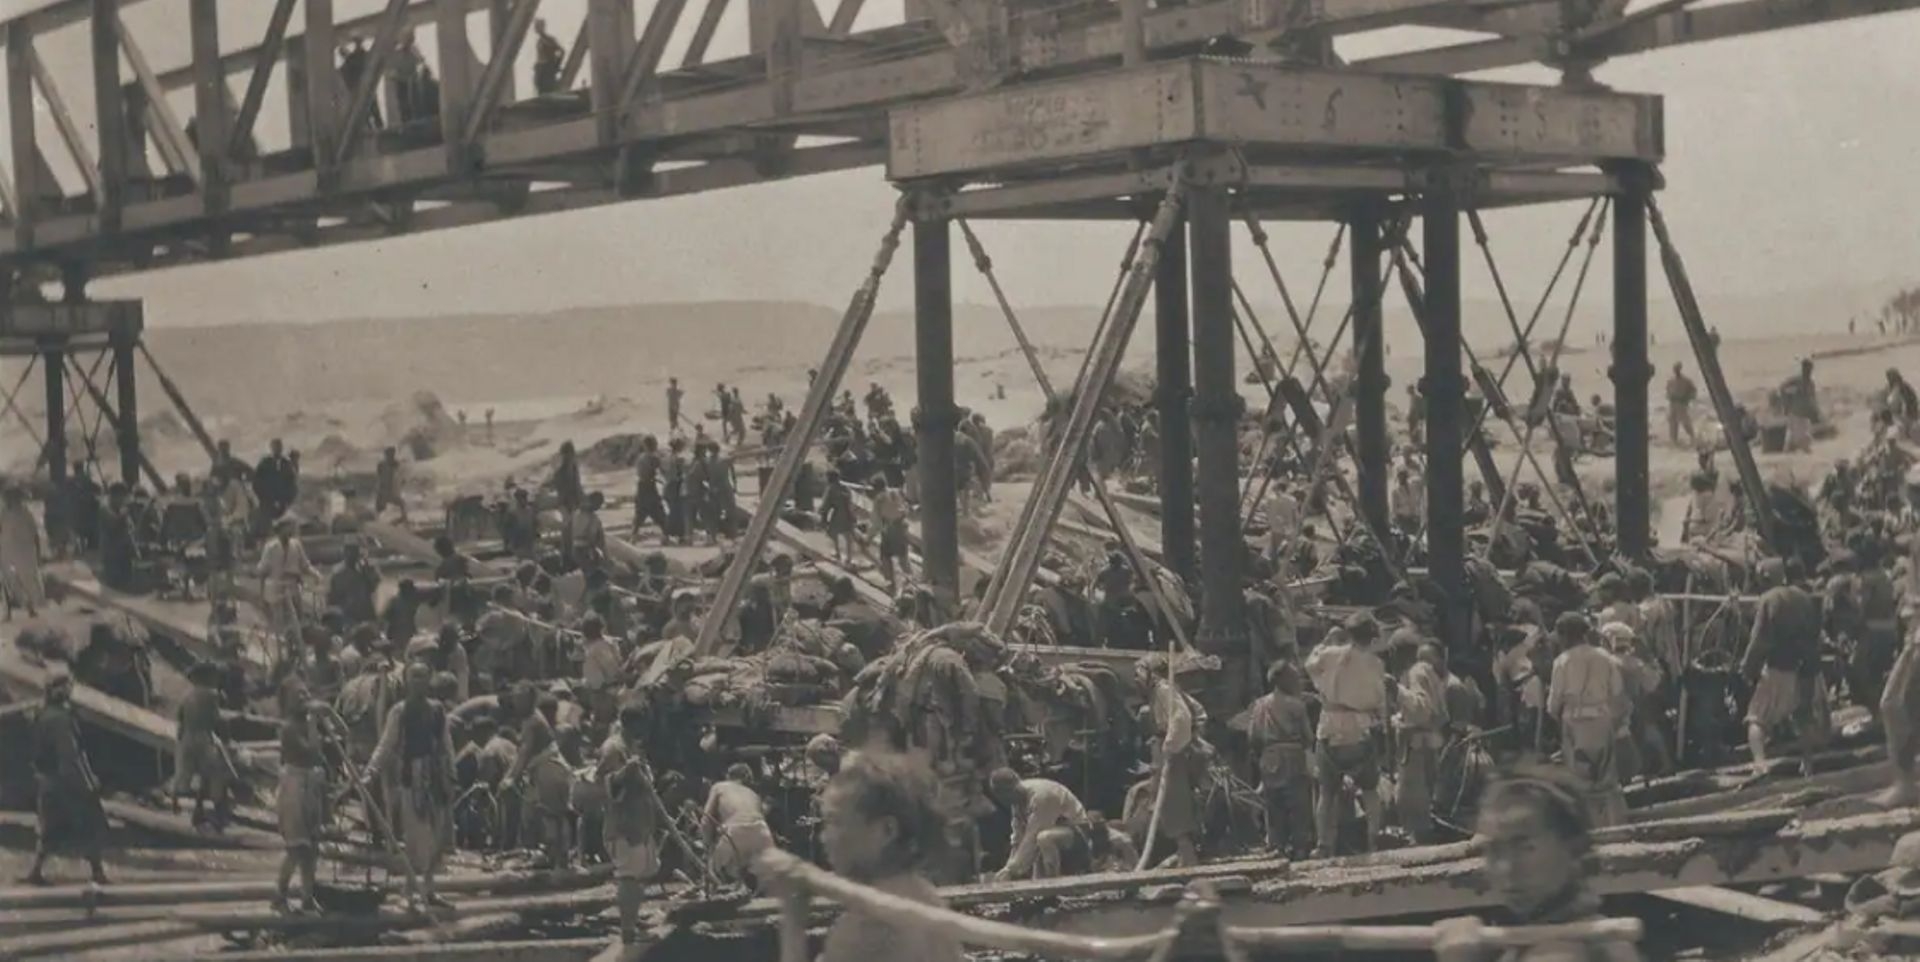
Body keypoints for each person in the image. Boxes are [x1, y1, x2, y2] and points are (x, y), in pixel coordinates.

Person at [763, 751, 964, 962]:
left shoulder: (871, 926)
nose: (824, 837)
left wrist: (793, 923)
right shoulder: (927, 899)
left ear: (887, 830)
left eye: (835, 822)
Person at [1432, 767, 1642, 962]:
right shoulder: (1544, 939)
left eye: (1526, 847)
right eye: (1494, 850)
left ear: (1574, 849)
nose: (1507, 868)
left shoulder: (1565, 952)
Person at [364, 661, 457, 907]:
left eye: (423, 676)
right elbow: (386, 745)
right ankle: (408, 891)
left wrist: (451, 773)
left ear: (430, 679)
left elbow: (446, 744)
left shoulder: (437, 710)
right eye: (414, 676)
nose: (418, 681)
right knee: (416, 838)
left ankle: (429, 889)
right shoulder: (399, 711)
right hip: (412, 778)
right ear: (406, 680)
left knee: (438, 837)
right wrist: (371, 772)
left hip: (436, 777)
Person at [1305, 616, 1387, 856]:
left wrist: (1325, 642)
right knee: (1370, 790)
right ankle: (1374, 839)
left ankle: (1323, 844)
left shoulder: (1329, 654)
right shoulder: (1376, 663)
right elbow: (1379, 700)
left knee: (1326, 792)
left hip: (1329, 728)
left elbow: (1309, 666)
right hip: (1360, 729)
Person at [23, 666, 109, 885]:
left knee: (49, 827)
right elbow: (70, 754)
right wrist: (87, 782)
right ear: (57, 690)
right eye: (65, 686)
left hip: (48, 779)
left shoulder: (40, 714)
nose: (69, 689)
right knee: (92, 821)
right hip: (66, 780)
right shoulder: (60, 719)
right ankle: (97, 872)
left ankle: (36, 871)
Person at [1741, 558, 1825, 776]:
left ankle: (1760, 765)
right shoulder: (1803, 597)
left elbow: (1759, 640)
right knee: (1803, 715)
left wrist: (1747, 668)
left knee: (1756, 718)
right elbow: (1816, 632)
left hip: (1780, 666)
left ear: (1764, 578)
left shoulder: (1769, 599)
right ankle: (1807, 763)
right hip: (1807, 666)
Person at [1546, 613, 1629, 827]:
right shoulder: (1605, 657)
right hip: (1601, 719)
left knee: (1581, 781)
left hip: (1574, 724)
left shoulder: (1561, 662)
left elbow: (1553, 704)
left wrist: (1558, 721)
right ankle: (1616, 825)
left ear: (1566, 636)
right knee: (1608, 780)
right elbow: (1617, 693)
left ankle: (1590, 828)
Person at [600, 702, 661, 944]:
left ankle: (633, 919)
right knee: (628, 876)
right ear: (635, 724)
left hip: (640, 822)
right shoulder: (613, 748)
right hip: (624, 825)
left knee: (641, 873)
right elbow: (604, 783)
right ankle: (627, 929)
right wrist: (627, 771)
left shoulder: (633, 746)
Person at [1247, 661, 1313, 857]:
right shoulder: (1297, 705)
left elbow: (1253, 737)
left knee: (1273, 804)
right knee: (1298, 803)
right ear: (1285, 680)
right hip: (1292, 755)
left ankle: (1277, 845)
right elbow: (1308, 737)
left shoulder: (1258, 705)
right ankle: (1300, 846)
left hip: (1268, 757)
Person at [988, 769, 1098, 881]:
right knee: (1038, 852)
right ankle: (1043, 885)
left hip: (1079, 835)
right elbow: (1018, 838)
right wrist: (1007, 868)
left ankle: (1054, 883)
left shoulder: (1042, 796)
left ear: (1010, 790)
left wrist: (1013, 869)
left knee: (1044, 838)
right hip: (1051, 835)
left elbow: (1032, 835)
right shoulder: (1017, 801)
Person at [275, 693, 329, 914]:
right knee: (297, 847)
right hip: (294, 786)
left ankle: (307, 897)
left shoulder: (307, 724)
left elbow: (342, 733)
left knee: (312, 849)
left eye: (306, 696)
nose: (304, 700)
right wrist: (315, 722)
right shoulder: (289, 728)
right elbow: (312, 753)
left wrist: (328, 714)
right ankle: (279, 895)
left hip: (309, 785)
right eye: (298, 697)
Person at [174, 662, 235, 832]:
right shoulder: (212, 695)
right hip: (203, 738)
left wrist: (180, 740)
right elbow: (216, 720)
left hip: (187, 738)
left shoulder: (187, 695)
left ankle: (190, 807)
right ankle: (219, 813)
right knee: (218, 773)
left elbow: (180, 719)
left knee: (192, 775)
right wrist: (227, 738)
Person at [704, 763, 775, 887]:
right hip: (763, 833)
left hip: (735, 832)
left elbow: (706, 818)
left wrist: (707, 845)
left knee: (717, 875)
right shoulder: (754, 795)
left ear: (728, 776)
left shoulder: (719, 787)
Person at [259, 516, 317, 640]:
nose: (292, 530)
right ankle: (281, 643)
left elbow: (305, 565)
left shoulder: (296, 545)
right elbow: (263, 571)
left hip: (292, 587)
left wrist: (316, 575)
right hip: (275, 588)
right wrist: (262, 594)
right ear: (281, 528)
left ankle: (297, 642)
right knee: (279, 622)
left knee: (298, 619)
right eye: (289, 527)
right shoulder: (271, 547)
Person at [0, 485, 45, 619]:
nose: (8, 500)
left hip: (24, 552)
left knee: (28, 580)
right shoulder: (3, 514)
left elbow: (35, 534)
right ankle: (9, 611)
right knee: (9, 581)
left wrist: (38, 552)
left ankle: (30, 607)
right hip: (7, 551)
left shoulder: (25, 513)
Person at [328, 540, 381, 628]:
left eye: (354, 553)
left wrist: (367, 568)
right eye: (349, 553)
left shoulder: (364, 570)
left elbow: (375, 584)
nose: (351, 556)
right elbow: (333, 597)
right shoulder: (339, 573)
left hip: (363, 614)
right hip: (350, 615)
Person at [871, 478, 911, 593]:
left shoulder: (879, 499)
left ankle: (890, 584)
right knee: (903, 557)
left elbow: (876, 522)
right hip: (901, 526)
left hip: (889, 529)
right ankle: (910, 582)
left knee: (885, 557)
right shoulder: (896, 491)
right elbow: (906, 507)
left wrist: (869, 537)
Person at [631, 435, 668, 541]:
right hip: (650, 486)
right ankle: (666, 535)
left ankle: (634, 535)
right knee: (658, 511)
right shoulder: (653, 458)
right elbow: (662, 471)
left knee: (640, 512)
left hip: (641, 485)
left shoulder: (640, 458)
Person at [1665, 362, 1698, 446]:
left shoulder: (1686, 381)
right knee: (1672, 422)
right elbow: (1667, 392)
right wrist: (1669, 396)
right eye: (1675, 369)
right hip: (1673, 404)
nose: (1676, 371)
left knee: (1685, 421)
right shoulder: (1670, 381)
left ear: (1680, 369)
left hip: (1682, 404)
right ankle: (1673, 440)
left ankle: (1692, 436)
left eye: (1677, 369)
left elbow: (1693, 391)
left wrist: (1688, 398)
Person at [532, 18, 565, 94]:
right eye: (536, 26)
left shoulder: (548, 40)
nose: (536, 28)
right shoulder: (540, 41)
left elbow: (561, 51)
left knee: (547, 91)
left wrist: (556, 65)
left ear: (542, 27)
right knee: (541, 91)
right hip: (541, 70)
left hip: (546, 70)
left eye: (537, 26)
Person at [375, 448, 406, 520]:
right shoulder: (381, 465)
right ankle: (378, 518)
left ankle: (403, 517)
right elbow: (379, 476)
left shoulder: (395, 464)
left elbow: (400, 475)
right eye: (389, 454)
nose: (391, 456)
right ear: (386, 455)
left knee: (400, 503)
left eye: (392, 454)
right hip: (384, 488)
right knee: (381, 505)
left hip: (391, 488)